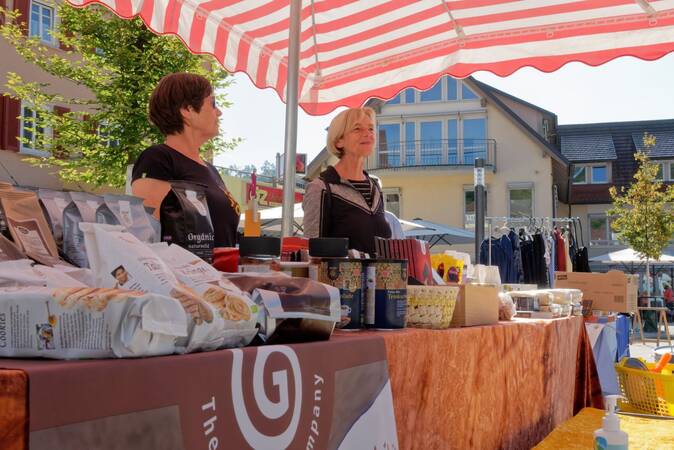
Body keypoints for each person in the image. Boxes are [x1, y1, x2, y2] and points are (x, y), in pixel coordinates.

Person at [132, 73, 240, 247]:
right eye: (212, 104)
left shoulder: (210, 170)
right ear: (187, 110)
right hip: (186, 273)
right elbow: (150, 236)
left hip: (219, 273)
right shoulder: (158, 159)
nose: (219, 112)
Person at [303, 107, 391, 254]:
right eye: (357, 129)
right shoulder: (321, 188)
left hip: (380, 276)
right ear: (339, 141)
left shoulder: (375, 187)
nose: (368, 134)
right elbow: (312, 252)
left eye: (371, 129)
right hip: (337, 277)